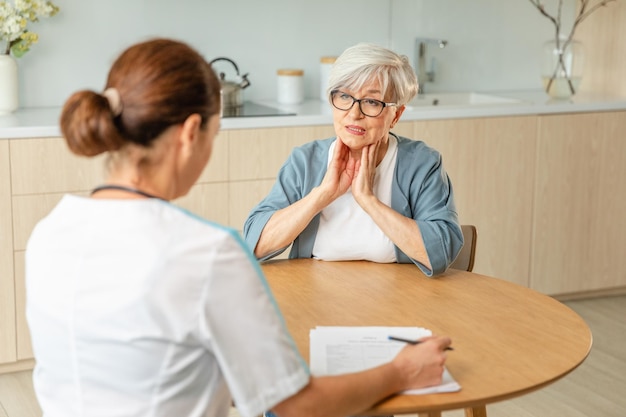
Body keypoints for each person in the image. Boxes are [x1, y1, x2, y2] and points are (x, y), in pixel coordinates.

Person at [25, 38, 452, 417]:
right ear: (192, 133)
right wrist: (401, 372)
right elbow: (296, 405)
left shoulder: (49, 232)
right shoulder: (207, 252)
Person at [244, 43, 463, 276]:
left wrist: (369, 200)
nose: (354, 113)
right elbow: (254, 244)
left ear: (396, 115)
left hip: (399, 302)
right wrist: (322, 194)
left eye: (372, 102)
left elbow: (440, 252)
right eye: (345, 96)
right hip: (312, 297)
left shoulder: (422, 164)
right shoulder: (304, 161)